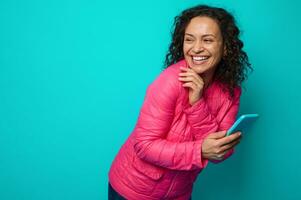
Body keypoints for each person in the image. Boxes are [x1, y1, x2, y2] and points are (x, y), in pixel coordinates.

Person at [108, 4, 252, 200]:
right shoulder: (169, 81)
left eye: (207, 40)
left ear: (226, 47)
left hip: (178, 193)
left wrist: (197, 103)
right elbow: (144, 146)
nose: (196, 48)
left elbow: (219, 153)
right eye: (189, 40)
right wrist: (200, 150)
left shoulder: (231, 92)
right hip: (133, 191)